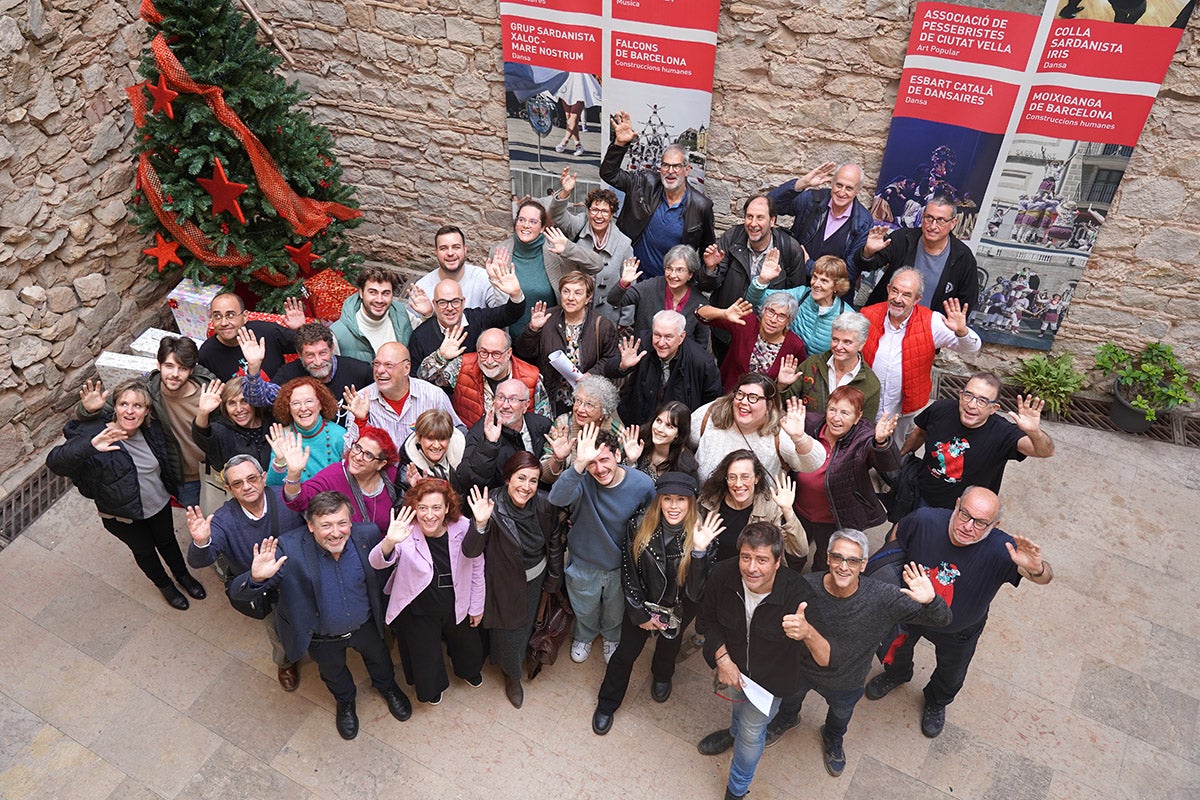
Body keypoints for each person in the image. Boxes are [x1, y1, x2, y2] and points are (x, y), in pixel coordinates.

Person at [865, 487, 1053, 738]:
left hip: (958, 629)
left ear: (994, 525)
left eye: (980, 523)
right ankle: (897, 675)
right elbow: (899, 532)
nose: (968, 526)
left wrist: (1037, 568)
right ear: (956, 505)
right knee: (896, 649)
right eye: (965, 515)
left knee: (952, 672)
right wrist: (888, 570)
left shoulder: (1003, 549)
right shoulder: (926, 520)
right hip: (911, 613)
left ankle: (936, 701)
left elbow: (1044, 578)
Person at [763, 529, 951, 776]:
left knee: (840, 717)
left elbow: (943, 620)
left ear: (863, 565)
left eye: (852, 560)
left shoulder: (883, 598)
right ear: (828, 558)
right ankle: (788, 719)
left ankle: (832, 738)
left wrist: (931, 600)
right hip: (802, 669)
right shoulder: (805, 588)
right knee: (790, 700)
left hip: (846, 679)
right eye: (838, 558)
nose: (843, 566)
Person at [228, 491, 413, 739]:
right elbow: (238, 594)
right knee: (333, 672)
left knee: (380, 659)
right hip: (321, 635)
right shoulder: (289, 548)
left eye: (342, 523)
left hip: (365, 625)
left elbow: (382, 569)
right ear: (311, 526)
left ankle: (387, 687)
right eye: (326, 525)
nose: (336, 532)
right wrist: (255, 578)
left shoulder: (367, 535)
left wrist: (390, 546)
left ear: (351, 521)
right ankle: (345, 701)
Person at [695, 522, 831, 800]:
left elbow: (826, 657)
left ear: (778, 562)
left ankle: (737, 789)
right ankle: (731, 732)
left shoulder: (798, 595)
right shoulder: (723, 574)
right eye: (746, 557)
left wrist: (807, 633)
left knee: (751, 732)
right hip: (732, 665)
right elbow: (706, 621)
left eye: (762, 560)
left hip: (771, 681)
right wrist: (722, 659)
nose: (751, 568)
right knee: (737, 713)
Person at [48, 380, 207, 610]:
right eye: (124, 404)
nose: (130, 411)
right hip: (122, 514)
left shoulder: (151, 429)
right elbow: (55, 462)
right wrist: (90, 444)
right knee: (144, 551)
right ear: (114, 407)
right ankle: (165, 586)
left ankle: (183, 576)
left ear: (147, 411)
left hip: (157, 502)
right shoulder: (96, 433)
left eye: (137, 406)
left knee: (167, 541)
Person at [591, 473, 723, 734]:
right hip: (643, 601)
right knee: (625, 654)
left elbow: (697, 593)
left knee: (669, 646)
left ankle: (662, 675)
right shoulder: (639, 524)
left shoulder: (705, 536)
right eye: (668, 499)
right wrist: (639, 613)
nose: (674, 506)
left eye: (681, 500)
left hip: (679, 607)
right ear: (659, 501)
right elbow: (629, 573)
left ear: (691, 502)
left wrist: (698, 553)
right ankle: (607, 702)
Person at [184, 454, 305, 689]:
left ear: (263, 477)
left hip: (301, 579)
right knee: (278, 632)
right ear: (228, 488)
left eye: (251, 478)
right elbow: (199, 560)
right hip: (267, 592)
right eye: (238, 483)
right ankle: (285, 662)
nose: (247, 486)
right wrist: (201, 541)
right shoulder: (222, 519)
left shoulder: (286, 498)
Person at [369, 478, 485, 706]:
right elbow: (376, 562)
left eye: (436, 508)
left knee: (467, 645)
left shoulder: (462, 526)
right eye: (422, 508)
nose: (429, 515)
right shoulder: (406, 532)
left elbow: (477, 568)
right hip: (419, 609)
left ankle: (467, 670)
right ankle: (432, 687)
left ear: (447, 508)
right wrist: (389, 542)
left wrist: (477, 605)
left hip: (456, 602)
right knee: (425, 654)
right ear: (414, 509)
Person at [462, 454, 565, 709]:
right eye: (521, 478)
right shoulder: (491, 507)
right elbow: (470, 551)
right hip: (504, 586)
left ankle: (517, 658)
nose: (526, 486)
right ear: (507, 478)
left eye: (533, 480)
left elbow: (554, 543)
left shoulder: (543, 504)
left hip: (536, 579)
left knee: (529, 624)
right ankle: (513, 676)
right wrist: (481, 523)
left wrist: (552, 580)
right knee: (510, 633)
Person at [547, 424, 656, 665]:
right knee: (584, 608)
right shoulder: (581, 480)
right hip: (584, 563)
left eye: (605, 459)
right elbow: (556, 498)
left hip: (621, 566)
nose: (599, 468)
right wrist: (578, 464)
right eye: (592, 463)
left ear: (618, 456)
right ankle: (584, 636)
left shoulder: (642, 484)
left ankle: (611, 637)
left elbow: (649, 524)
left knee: (615, 611)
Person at [78, 336, 213, 507]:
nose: (174, 374)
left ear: (192, 370)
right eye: (169, 366)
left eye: (183, 368)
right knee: (199, 522)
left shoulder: (208, 392)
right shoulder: (146, 389)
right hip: (184, 479)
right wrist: (89, 410)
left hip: (215, 470)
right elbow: (108, 409)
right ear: (159, 365)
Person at [903, 372, 1054, 510]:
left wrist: (1035, 433)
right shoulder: (940, 409)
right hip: (920, 495)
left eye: (982, 401)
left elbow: (1045, 451)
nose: (972, 405)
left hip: (963, 513)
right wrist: (900, 461)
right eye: (969, 395)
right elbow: (920, 433)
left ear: (994, 408)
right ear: (961, 395)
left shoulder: (1002, 433)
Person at [860, 268, 981, 438]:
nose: (898, 299)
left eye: (906, 295)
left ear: (917, 299)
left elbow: (972, 348)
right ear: (888, 289)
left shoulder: (932, 321)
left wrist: (962, 331)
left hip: (901, 412)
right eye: (894, 291)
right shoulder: (867, 315)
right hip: (866, 406)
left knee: (894, 456)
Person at [796, 387, 900, 571]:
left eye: (845, 413)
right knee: (795, 551)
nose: (836, 418)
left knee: (824, 559)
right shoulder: (810, 424)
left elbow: (889, 465)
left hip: (833, 517)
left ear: (857, 417)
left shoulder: (864, 437)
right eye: (832, 410)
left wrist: (881, 443)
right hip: (799, 510)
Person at [601, 111, 715, 276]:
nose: (670, 171)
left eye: (676, 166)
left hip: (669, 286)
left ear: (687, 170)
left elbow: (707, 253)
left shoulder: (701, 206)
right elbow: (609, 174)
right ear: (659, 167)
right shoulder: (643, 182)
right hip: (628, 278)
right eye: (665, 165)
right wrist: (619, 145)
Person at [699, 195, 807, 358]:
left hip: (765, 338)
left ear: (772, 221)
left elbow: (795, 297)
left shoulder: (789, 249)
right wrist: (710, 268)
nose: (753, 223)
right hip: (728, 332)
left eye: (760, 217)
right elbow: (708, 286)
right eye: (749, 217)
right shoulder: (731, 239)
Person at [514, 272, 622, 416]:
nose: (571, 298)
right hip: (551, 397)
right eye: (566, 291)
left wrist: (591, 375)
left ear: (588, 297)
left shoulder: (602, 325)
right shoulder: (547, 318)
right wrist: (533, 330)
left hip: (585, 399)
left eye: (578, 293)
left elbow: (611, 359)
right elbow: (525, 353)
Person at [689, 373, 825, 483]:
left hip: (758, 516)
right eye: (740, 394)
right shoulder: (711, 414)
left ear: (769, 404)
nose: (743, 402)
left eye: (753, 397)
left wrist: (799, 438)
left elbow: (813, 464)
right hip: (705, 511)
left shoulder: (779, 432)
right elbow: (681, 440)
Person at [494, 200, 602, 335]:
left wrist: (569, 248)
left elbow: (597, 265)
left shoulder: (556, 251)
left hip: (549, 337)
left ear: (542, 227)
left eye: (533, 222)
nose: (526, 225)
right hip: (509, 337)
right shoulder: (500, 251)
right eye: (521, 220)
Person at [541, 170, 634, 325]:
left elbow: (629, 285)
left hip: (607, 318)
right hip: (574, 313)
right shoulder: (578, 225)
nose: (599, 216)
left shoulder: (624, 244)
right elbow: (556, 216)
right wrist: (565, 192)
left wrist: (625, 321)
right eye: (595, 210)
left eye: (605, 211)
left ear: (612, 215)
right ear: (588, 211)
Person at [768, 162, 873, 295]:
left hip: (830, 297)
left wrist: (809, 266)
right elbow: (769, 205)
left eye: (849, 188)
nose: (842, 192)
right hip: (793, 284)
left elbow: (849, 273)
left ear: (857, 190)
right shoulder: (812, 199)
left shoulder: (863, 222)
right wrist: (802, 183)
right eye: (839, 185)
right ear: (832, 183)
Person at [862, 195, 979, 313]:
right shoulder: (902, 239)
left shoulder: (963, 257)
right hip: (885, 319)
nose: (933, 226)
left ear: (953, 223)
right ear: (922, 217)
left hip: (929, 328)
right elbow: (867, 265)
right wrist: (868, 251)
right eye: (929, 218)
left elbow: (966, 302)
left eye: (941, 220)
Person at [342, 342, 465, 452]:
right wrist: (360, 421)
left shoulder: (434, 396)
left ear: (407, 368)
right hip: (380, 474)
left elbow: (458, 435)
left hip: (425, 471)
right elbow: (348, 452)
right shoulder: (360, 400)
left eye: (388, 365)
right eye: (376, 364)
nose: (379, 370)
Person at [407, 257, 527, 369]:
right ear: (435, 304)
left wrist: (515, 294)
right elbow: (415, 379)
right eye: (443, 302)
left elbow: (510, 314)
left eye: (455, 301)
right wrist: (440, 357)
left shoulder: (478, 318)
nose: (450, 308)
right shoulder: (420, 336)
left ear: (463, 302)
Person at [279, 424, 399, 535]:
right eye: (357, 448)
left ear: (381, 464)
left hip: (389, 549)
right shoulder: (333, 475)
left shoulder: (390, 475)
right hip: (349, 551)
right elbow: (299, 501)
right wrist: (294, 474)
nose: (358, 457)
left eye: (368, 455)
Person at [238, 322, 373, 422]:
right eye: (310, 355)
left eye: (323, 353)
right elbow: (257, 400)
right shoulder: (289, 374)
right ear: (299, 354)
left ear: (332, 348)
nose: (318, 361)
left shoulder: (359, 371)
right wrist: (254, 367)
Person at [418, 326, 550, 426]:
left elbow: (545, 423)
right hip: (471, 446)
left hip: (515, 450)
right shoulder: (462, 366)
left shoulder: (531, 377)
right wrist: (441, 357)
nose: (489, 360)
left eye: (496, 354)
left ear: (509, 353)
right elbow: (423, 377)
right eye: (483, 353)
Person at [615, 310, 723, 427]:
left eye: (668, 337)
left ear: (681, 337)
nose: (661, 343)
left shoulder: (701, 361)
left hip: (678, 429)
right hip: (639, 422)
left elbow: (713, 401)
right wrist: (623, 366)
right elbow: (609, 368)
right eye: (657, 335)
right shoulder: (643, 343)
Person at [698, 449, 805, 567]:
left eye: (745, 477)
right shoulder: (708, 502)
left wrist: (788, 511)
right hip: (714, 574)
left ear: (757, 478)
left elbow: (800, 551)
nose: (738, 484)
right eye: (732, 477)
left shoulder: (771, 507)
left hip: (755, 576)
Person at [744, 253, 852, 356]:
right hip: (786, 364)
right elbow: (756, 300)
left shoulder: (847, 315)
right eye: (815, 277)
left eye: (824, 281)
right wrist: (762, 280)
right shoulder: (801, 295)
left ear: (836, 286)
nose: (816, 284)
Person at [780, 311, 880, 421]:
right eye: (835, 339)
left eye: (847, 342)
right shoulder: (812, 364)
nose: (839, 346)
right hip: (801, 434)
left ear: (861, 344)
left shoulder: (871, 384)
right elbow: (784, 403)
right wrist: (782, 386)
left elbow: (864, 429)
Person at [696, 293, 807, 392]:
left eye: (782, 316)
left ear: (789, 320)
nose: (773, 320)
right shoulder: (746, 322)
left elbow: (796, 384)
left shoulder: (795, 346)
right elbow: (700, 314)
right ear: (763, 311)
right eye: (771, 312)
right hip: (729, 394)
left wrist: (781, 386)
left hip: (764, 404)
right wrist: (724, 313)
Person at [607, 245, 709, 347]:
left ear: (690, 274)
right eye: (669, 268)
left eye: (680, 270)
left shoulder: (699, 302)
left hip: (680, 361)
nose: (673, 275)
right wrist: (623, 283)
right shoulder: (649, 287)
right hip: (645, 356)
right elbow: (614, 300)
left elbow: (701, 343)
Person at [459, 379, 553, 490]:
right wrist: (489, 445)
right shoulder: (481, 430)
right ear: (494, 402)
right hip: (498, 502)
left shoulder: (542, 425)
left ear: (526, 405)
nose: (505, 405)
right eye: (501, 398)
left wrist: (557, 459)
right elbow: (468, 481)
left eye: (513, 399)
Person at [411, 225, 506, 322]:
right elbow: (415, 330)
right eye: (443, 248)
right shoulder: (421, 289)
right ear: (436, 252)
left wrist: (498, 284)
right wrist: (429, 315)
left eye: (456, 247)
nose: (450, 253)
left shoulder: (483, 278)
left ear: (465, 250)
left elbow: (503, 315)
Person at [199, 292, 303, 379]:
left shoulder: (268, 332)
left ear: (244, 316)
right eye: (217, 316)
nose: (224, 323)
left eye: (230, 315)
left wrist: (300, 328)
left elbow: (307, 347)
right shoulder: (206, 354)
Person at [264, 378, 346, 487]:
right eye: (296, 403)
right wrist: (280, 461)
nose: (303, 408)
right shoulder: (283, 437)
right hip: (298, 500)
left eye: (309, 401)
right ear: (288, 408)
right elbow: (274, 486)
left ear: (321, 404)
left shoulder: (339, 435)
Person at [540, 375, 622, 483]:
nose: (580, 409)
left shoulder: (617, 431)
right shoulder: (563, 424)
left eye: (589, 405)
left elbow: (622, 475)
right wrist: (557, 459)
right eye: (578, 401)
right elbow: (543, 477)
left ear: (604, 410)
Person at [329, 266, 414, 362]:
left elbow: (425, 342)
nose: (379, 300)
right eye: (373, 292)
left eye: (385, 293)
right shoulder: (337, 333)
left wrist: (427, 315)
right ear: (361, 293)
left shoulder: (402, 315)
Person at [192, 376, 274, 473]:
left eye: (244, 401)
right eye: (232, 403)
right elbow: (202, 435)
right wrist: (203, 413)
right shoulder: (221, 430)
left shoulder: (271, 424)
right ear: (225, 407)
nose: (239, 409)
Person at [617, 400, 699, 481]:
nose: (659, 429)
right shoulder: (640, 439)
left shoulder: (685, 466)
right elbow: (620, 481)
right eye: (658, 421)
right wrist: (630, 462)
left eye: (669, 426)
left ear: (678, 433)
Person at [396, 409, 466, 495]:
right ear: (418, 438)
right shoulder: (408, 471)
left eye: (442, 439)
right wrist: (416, 492)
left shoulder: (466, 456)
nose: (436, 445)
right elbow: (399, 506)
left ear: (450, 438)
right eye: (430, 438)